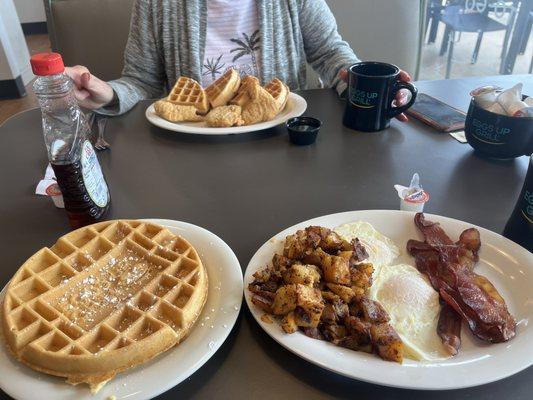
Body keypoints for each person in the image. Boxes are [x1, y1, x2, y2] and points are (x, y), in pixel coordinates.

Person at [65, 0, 411, 121]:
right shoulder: (158, 3)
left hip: (285, 142)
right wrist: (107, 93)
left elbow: (328, 51)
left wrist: (357, 83)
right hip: (193, 147)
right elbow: (140, 80)